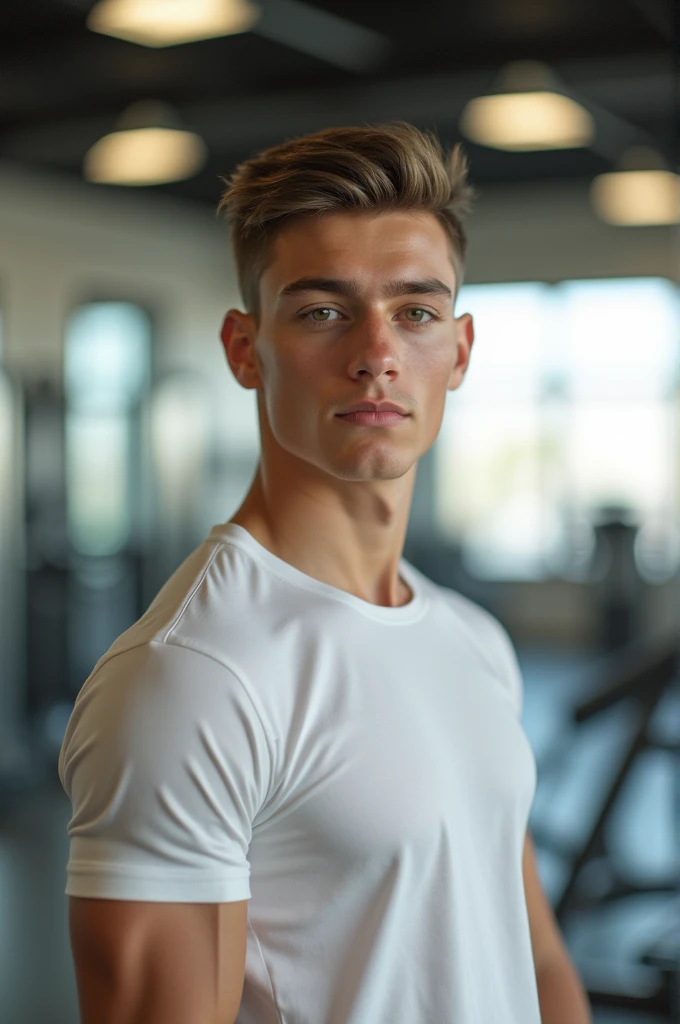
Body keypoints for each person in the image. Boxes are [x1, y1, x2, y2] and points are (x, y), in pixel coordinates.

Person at [59, 120, 591, 1024]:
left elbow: (534, 961)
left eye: (416, 312)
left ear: (459, 352)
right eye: (322, 311)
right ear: (243, 348)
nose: (376, 352)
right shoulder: (192, 678)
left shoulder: (472, 639)